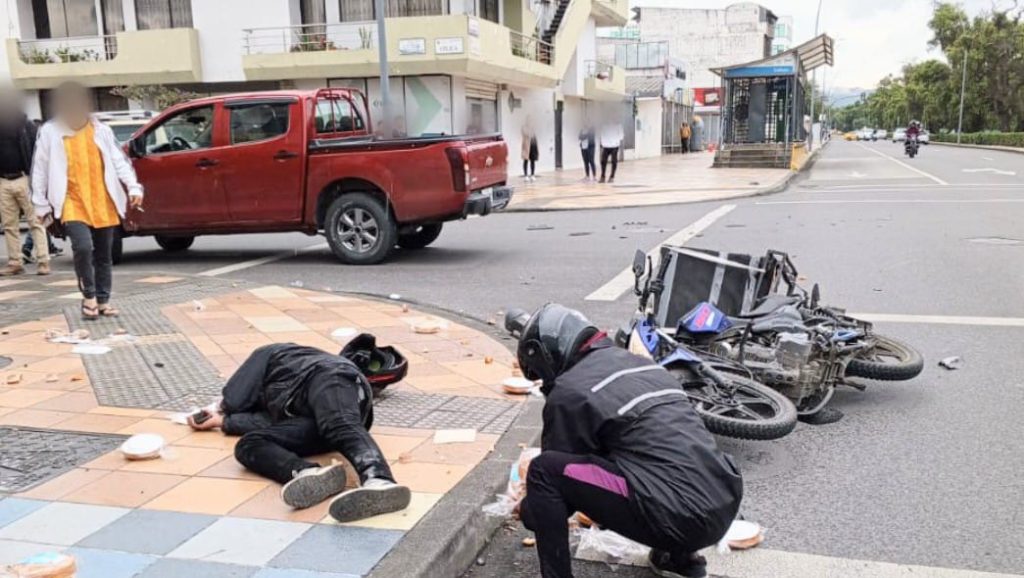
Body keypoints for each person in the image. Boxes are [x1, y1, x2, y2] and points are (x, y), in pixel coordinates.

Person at [513, 304, 743, 578]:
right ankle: (680, 560)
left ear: (547, 357)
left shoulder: (570, 392)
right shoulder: (645, 366)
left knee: (544, 472)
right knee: (652, 456)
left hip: (678, 517)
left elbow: (560, 488)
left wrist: (528, 507)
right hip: (725, 497)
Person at [188, 334, 413, 522]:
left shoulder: (271, 352)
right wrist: (223, 423)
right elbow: (270, 423)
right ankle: (308, 473)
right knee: (249, 444)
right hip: (313, 417)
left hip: (329, 379)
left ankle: (380, 480)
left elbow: (235, 397)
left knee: (339, 424)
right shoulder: (270, 398)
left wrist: (221, 407)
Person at [31, 81, 143, 320]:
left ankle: (103, 300)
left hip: (102, 200)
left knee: (104, 254)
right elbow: (39, 168)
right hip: (71, 200)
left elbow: (119, 160)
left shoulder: (101, 130)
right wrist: (40, 203)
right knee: (83, 248)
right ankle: (89, 297)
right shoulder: (50, 132)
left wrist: (133, 187)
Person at [0, 87, 49, 276]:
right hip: (3, 180)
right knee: (9, 225)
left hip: (24, 178)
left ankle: (43, 260)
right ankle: (15, 262)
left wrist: (35, 179)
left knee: (35, 221)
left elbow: (36, 153)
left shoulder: (26, 125)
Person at [599, 118, 623, 183]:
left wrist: (616, 140)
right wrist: (602, 142)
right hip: (606, 145)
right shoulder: (604, 125)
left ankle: (612, 176)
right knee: (603, 161)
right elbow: (602, 134)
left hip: (614, 145)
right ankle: (603, 176)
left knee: (614, 161)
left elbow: (621, 136)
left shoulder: (618, 125)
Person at [522, 116, 539, 182]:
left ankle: (532, 175)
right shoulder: (524, 127)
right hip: (526, 146)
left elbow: (534, 135)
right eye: (529, 120)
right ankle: (526, 175)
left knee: (532, 161)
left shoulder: (533, 127)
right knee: (526, 161)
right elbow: (526, 134)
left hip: (533, 146)